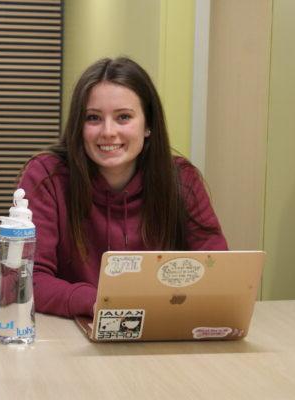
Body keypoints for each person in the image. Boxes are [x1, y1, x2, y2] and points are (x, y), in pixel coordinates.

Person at [18, 57, 228, 318]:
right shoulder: (46, 175)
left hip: (159, 327)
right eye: (93, 118)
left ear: (148, 124)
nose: (108, 131)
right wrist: (101, 302)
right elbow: (28, 278)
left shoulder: (181, 178)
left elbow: (217, 267)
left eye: (123, 117)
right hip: (71, 332)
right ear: (78, 126)